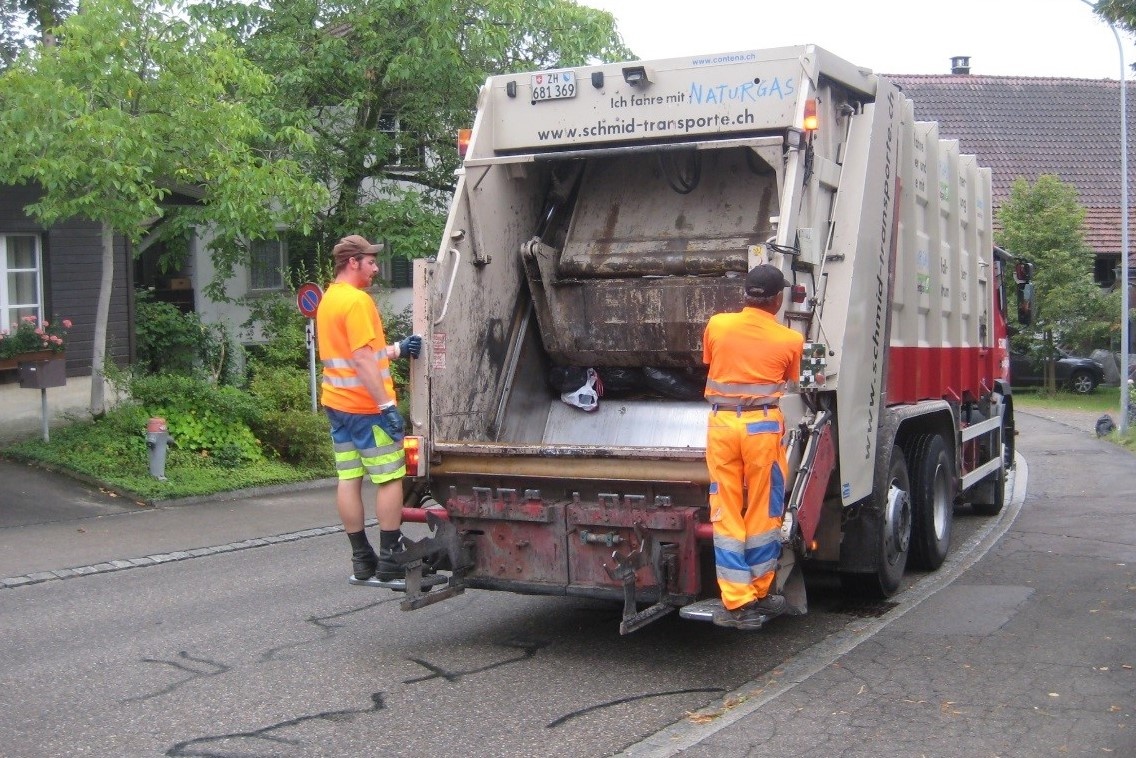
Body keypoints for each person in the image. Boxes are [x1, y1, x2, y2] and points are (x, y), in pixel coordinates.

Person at [702, 263, 803, 630]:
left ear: (744, 294)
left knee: (725, 508)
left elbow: (712, 363)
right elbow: (791, 381)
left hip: (722, 424)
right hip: (761, 428)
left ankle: (736, 597)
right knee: (764, 507)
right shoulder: (789, 340)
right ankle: (760, 591)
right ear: (777, 300)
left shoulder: (717, 325)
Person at [316, 234, 423, 581]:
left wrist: (397, 349)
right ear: (353, 262)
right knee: (390, 478)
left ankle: (362, 558)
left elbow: (358, 354)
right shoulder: (358, 302)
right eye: (371, 262)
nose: (376, 268)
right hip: (367, 409)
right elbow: (362, 361)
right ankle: (392, 556)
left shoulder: (329, 300)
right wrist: (387, 406)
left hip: (337, 406)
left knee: (348, 478)